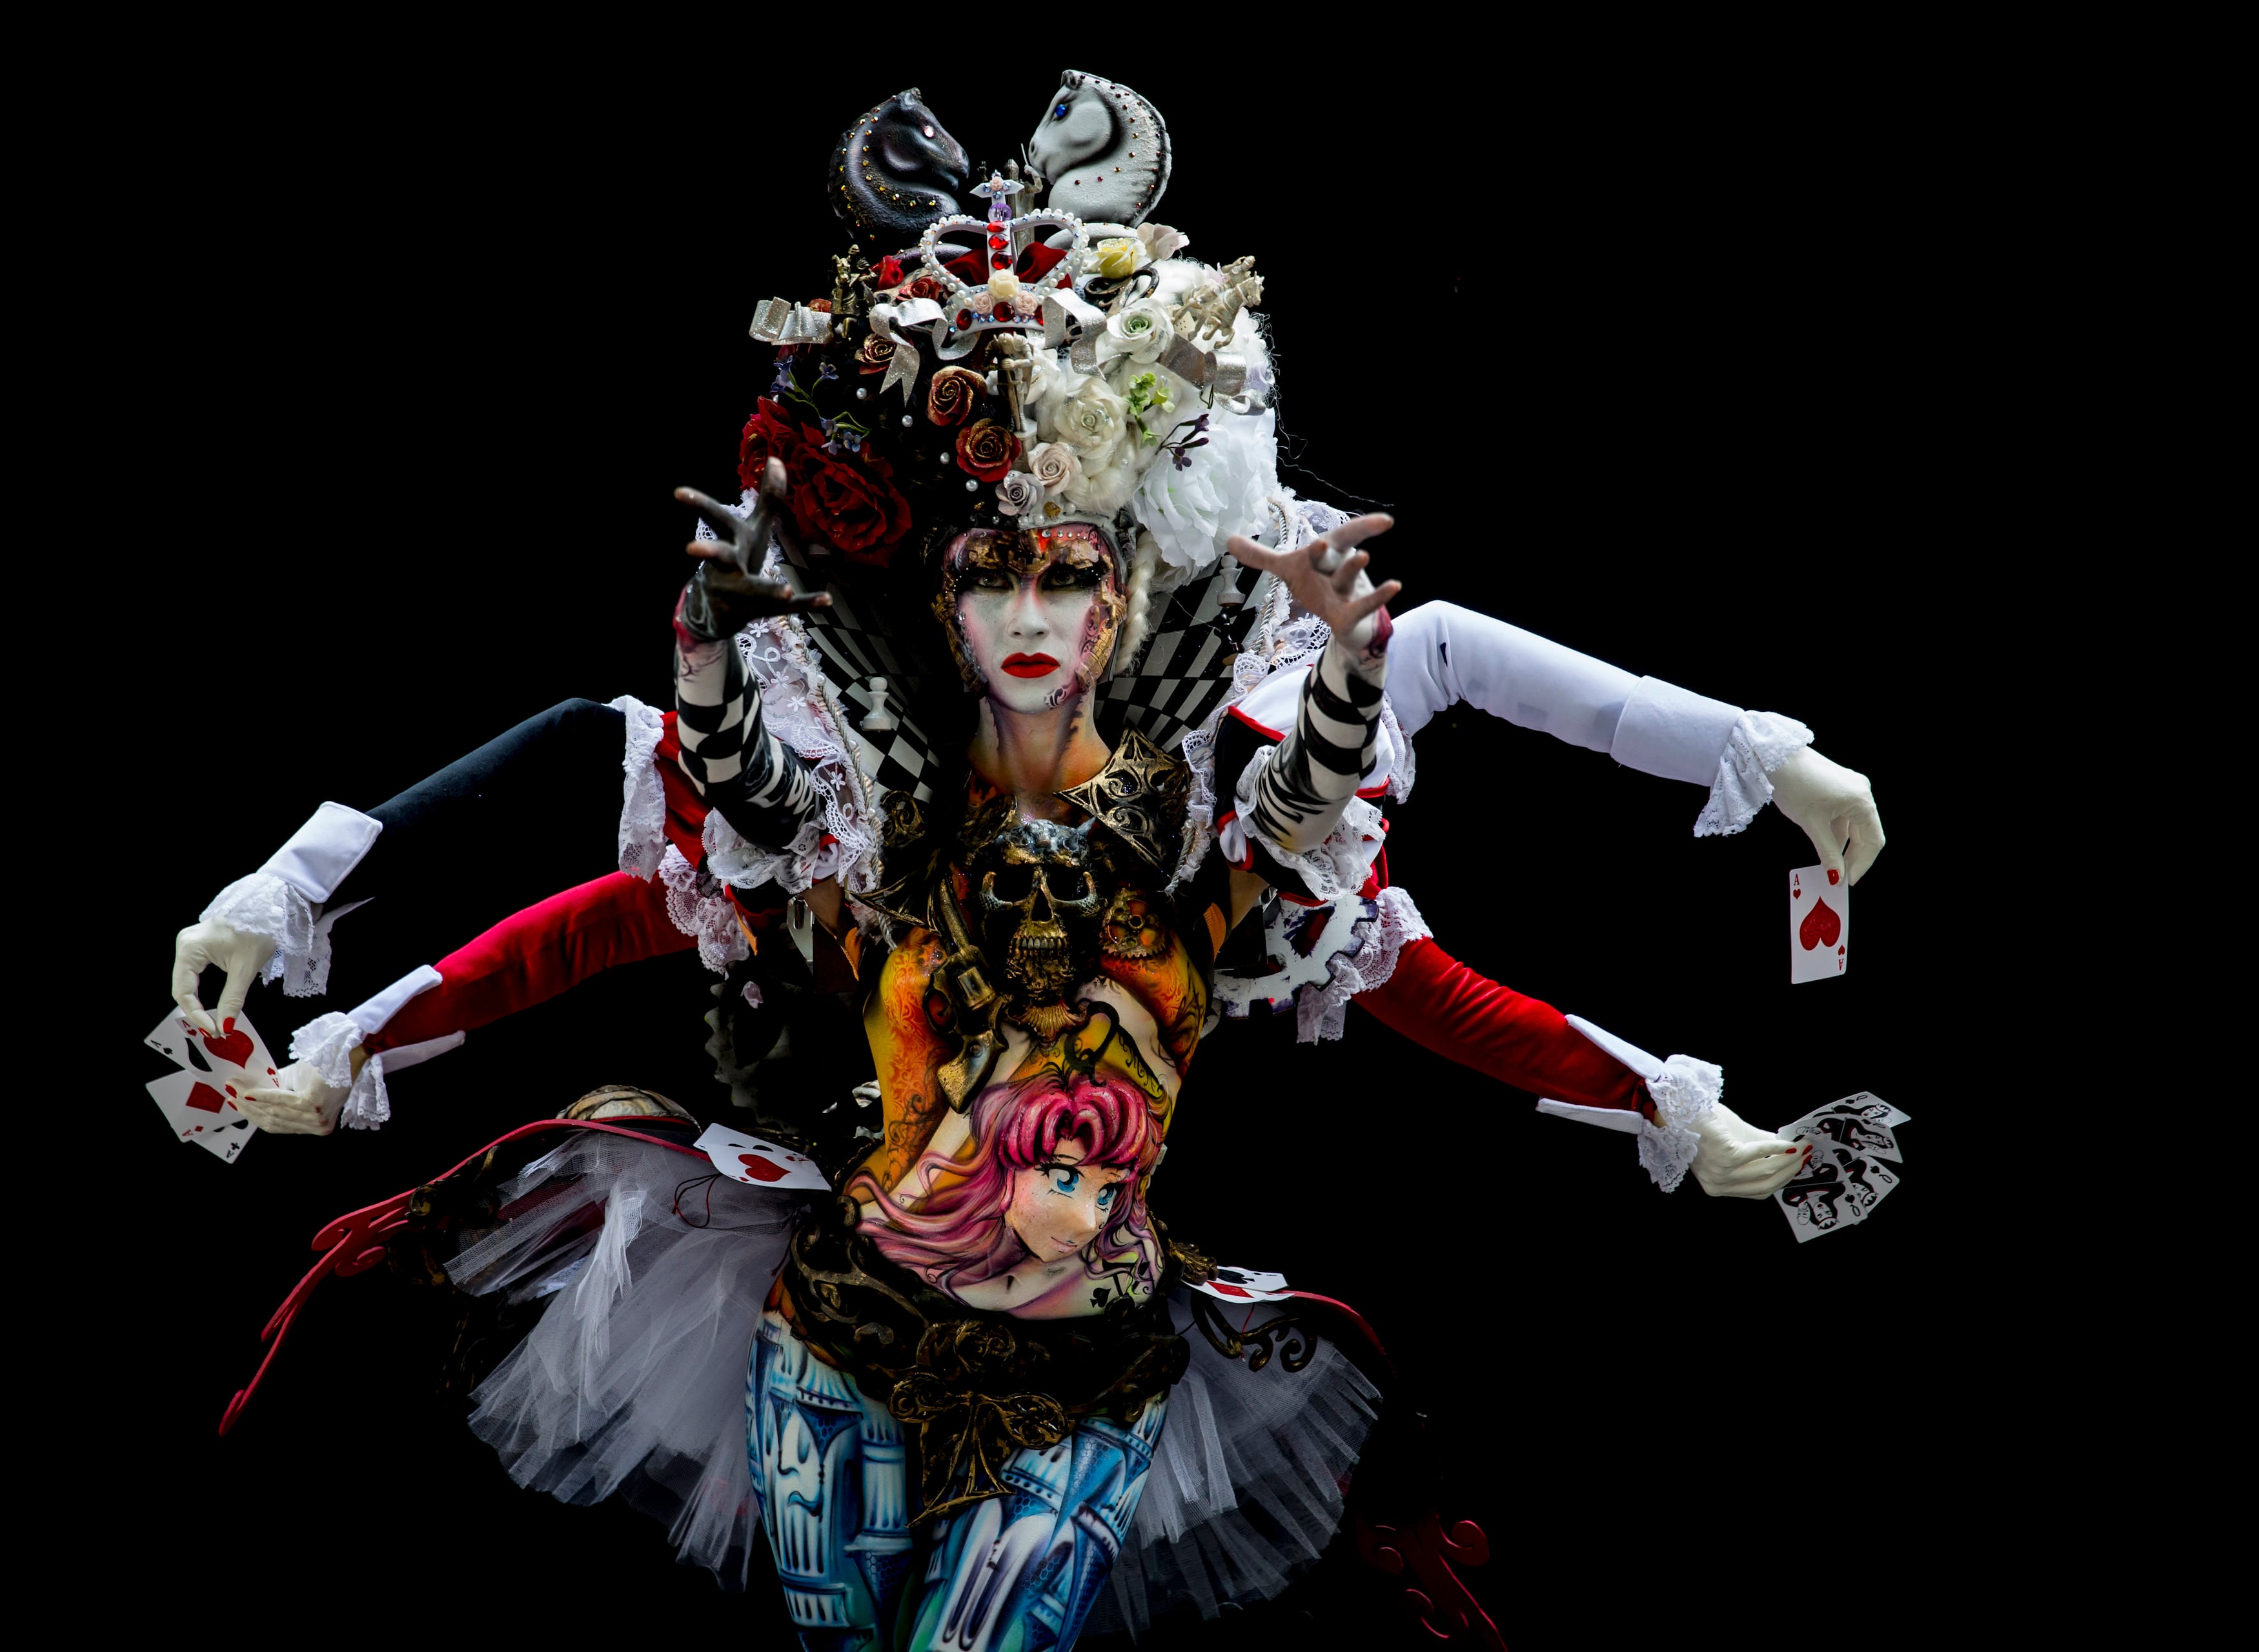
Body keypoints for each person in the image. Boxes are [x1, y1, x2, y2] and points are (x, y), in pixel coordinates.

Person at [172, 75, 1887, 1651]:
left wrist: (1689, 1076)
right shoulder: (869, 839)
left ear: (1126, 606)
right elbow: (594, 893)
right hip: (845, 1325)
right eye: (987, 582)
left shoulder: (1218, 858)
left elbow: (1441, 939)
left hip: (1095, 1353)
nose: (1026, 614)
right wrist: (330, 980)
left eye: (1067, 583)